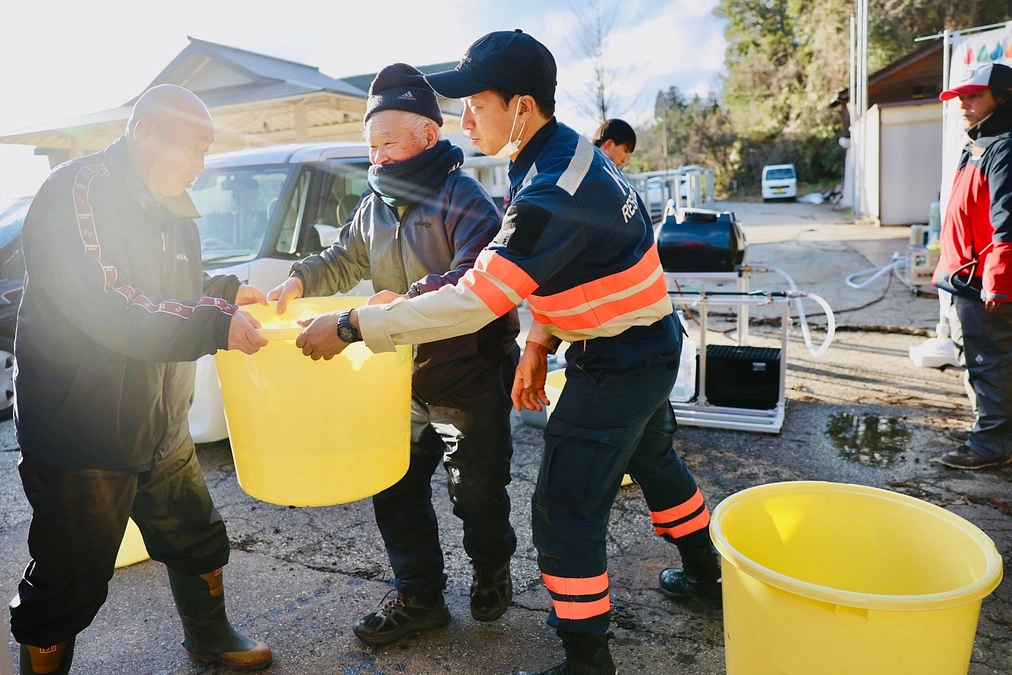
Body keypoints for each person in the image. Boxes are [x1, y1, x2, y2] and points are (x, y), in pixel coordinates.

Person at [292, 31, 722, 675]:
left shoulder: (550, 188)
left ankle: (587, 661)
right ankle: (705, 576)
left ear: (521, 106)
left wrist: (354, 325)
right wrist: (541, 340)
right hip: (640, 340)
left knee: (563, 508)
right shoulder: (555, 153)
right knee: (656, 463)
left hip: (621, 358)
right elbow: (568, 269)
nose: (463, 120)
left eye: (475, 105)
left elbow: (476, 299)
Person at [9, 84, 272, 674]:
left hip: (160, 420)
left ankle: (209, 635)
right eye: (193, 148)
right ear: (144, 132)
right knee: (66, 581)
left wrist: (224, 292)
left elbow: (169, 290)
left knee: (198, 538)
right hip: (84, 430)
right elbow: (109, 301)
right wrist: (212, 321)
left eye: (209, 151)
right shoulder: (75, 193)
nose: (201, 167)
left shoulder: (174, 205)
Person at [267, 63, 520, 647]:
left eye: (386, 142)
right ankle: (420, 594)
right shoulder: (373, 204)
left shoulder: (466, 199)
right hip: (399, 374)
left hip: (469, 372)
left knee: (476, 490)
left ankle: (490, 566)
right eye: (370, 143)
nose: (376, 155)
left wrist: (393, 304)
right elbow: (344, 257)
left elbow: (471, 284)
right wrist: (300, 280)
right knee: (394, 483)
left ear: (427, 138)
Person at [933, 62, 1012, 470]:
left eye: (975, 95)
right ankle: (992, 433)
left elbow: (1007, 220)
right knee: (979, 359)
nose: (964, 103)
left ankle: (990, 446)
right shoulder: (982, 140)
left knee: (988, 362)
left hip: (983, 281)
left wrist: (998, 282)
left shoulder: (1004, 146)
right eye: (961, 97)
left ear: (1002, 96)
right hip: (964, 274)